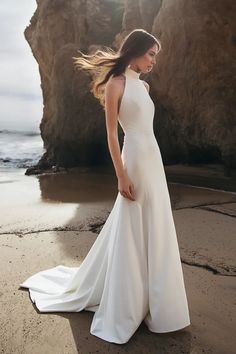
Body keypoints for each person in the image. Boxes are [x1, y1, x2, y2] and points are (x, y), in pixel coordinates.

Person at [19, 28, 191, 344]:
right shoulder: (117, 83)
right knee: (130, 228)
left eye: (156, 55)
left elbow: (147, 130)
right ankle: (128, 303)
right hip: (134, 161)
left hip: (152, 161)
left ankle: (155, 303)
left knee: (155, 225)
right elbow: (113, 134)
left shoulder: (145, 87)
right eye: (151, 54)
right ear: (136, 51)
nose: (154, 60)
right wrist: (121, 175)